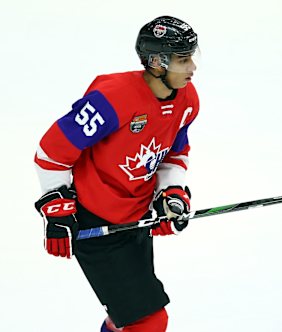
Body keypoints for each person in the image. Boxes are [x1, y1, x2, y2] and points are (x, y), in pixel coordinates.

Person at [33, 16, 200, 332]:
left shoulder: (187, 101)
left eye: (191, 56)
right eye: (182, 59)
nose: (192, 67)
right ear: (156, 62)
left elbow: (174, 153)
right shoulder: (112, 100)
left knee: (126, 318)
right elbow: (51, 153)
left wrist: (171, 194)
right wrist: (57, 209)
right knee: (148, 321)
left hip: (135, 222)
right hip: (95, 224)